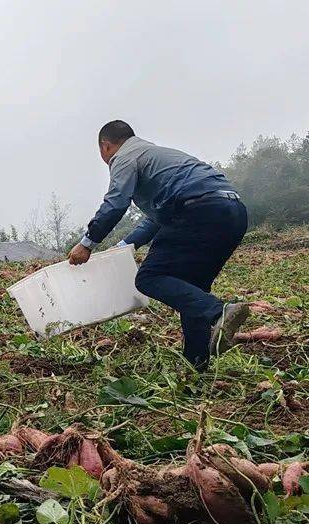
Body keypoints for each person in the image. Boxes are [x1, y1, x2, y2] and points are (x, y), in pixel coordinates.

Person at [68, 120, 250, 370]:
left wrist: (88, 243)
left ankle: (219, 312)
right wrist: (123, 246)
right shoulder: (155, 155)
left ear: (105, 146)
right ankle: (196, 365)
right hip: (232, 212)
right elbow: (154, 221)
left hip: (196, 211)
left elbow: (116, 203)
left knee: (149, 277)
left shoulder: (124, 157)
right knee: (190, 291)